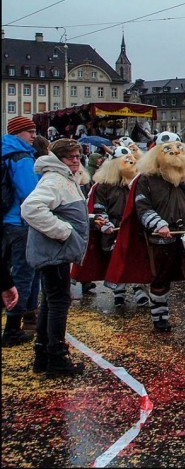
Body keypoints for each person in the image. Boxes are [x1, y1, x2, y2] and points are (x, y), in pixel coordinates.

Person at [107, 132, 185, 333]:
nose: (174, 152)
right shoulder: (145, 179)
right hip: (160, 237)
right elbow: (142, 207)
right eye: (168, 149)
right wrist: (158, 225)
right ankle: (160, 317)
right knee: (160, 277)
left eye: (178, 148)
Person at [20, 138, 90, 376]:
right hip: (55, 251)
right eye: (70, 157)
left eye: (78, 156)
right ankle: (56, 357)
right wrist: (63, 231)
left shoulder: (64, 178)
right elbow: (31, 208)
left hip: (56, 251)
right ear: (58, 158)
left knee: (51, 301)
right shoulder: (54, 179)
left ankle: (44, 354)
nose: (75, 160)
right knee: (59, 301)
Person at [72, 146, 150, 307]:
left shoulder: (139, 183)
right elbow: (98, 207)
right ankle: (119, 291)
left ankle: (138, 288)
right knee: (116, 258)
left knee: (136, 257)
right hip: (113, 227)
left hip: (134, 226)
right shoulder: (104, 186)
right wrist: (104, 223)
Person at [2, 116, 41, 348]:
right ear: (18, 134)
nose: (33, 135)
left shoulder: (4, 151)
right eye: (29, 131)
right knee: (23, 273)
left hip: (4, 220)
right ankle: (13, 328)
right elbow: (30, 193)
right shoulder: (21, 157)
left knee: (4, 269)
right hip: (20, 221)